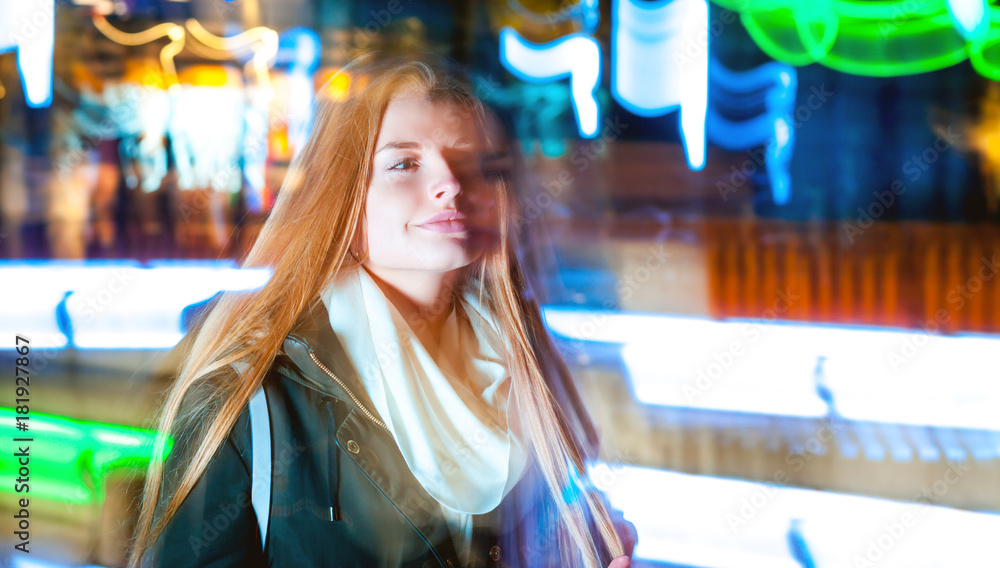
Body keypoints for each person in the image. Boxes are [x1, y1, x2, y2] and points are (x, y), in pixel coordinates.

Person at [127, 53, 637, 568]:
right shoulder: (249, 394)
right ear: (347, 197)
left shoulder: (532, 368)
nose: (451, 185)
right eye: (405, 164)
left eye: (469, 163)